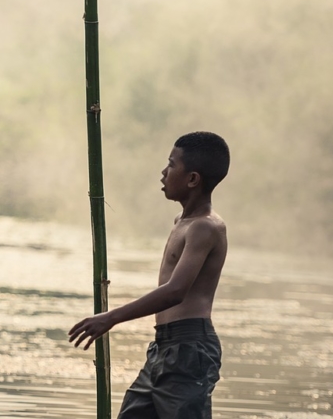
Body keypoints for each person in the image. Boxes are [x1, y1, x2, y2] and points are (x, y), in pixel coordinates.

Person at [68, 131, 231, 418]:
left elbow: (175, 291)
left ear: (193, 179)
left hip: (189, 350)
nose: (163, 172)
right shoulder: (182, 221)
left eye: (171, 165)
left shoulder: (205, 227)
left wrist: (110, 317)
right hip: (164, 348)